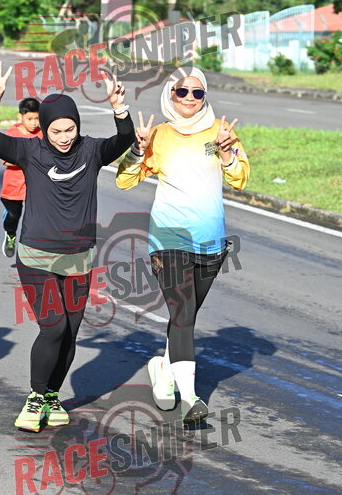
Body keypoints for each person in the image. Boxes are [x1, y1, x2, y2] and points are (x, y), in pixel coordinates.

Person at [0, 61, 134, 432]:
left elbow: (124, 138)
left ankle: (51, 395)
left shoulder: (91, 151)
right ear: (44, 129)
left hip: (79, 257)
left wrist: (118, 106)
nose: (63, 137)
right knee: (54, 326)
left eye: (70, 129)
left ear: (78, 126)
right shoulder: (30, 151)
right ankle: (35, 396)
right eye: (56, 130)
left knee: (71, 331)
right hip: (37, 256)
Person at [115, 67, 250, 425]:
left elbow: (240, 179)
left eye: (197, 92)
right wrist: (137, 149)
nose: (189, 98)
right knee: (184, 312)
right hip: (169, 237)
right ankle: (190, 398)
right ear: (170, 94)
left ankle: (163, 367)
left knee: (183, 316)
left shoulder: (221, 132)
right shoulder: (158, 135)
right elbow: (125, 181)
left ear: (205, 96)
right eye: (182, 91)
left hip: (210, 240)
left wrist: (227, 153)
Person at [0, 97, 41, 258]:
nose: (34, 123)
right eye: (30, 119)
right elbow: (6, 160)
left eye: (37, 119)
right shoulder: (12, 135)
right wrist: (27, 160)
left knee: (36, 218)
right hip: (13, 185)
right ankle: (10, 235)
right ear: (20, 117)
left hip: (36, 186)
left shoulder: (42, 134)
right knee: (13, 216)